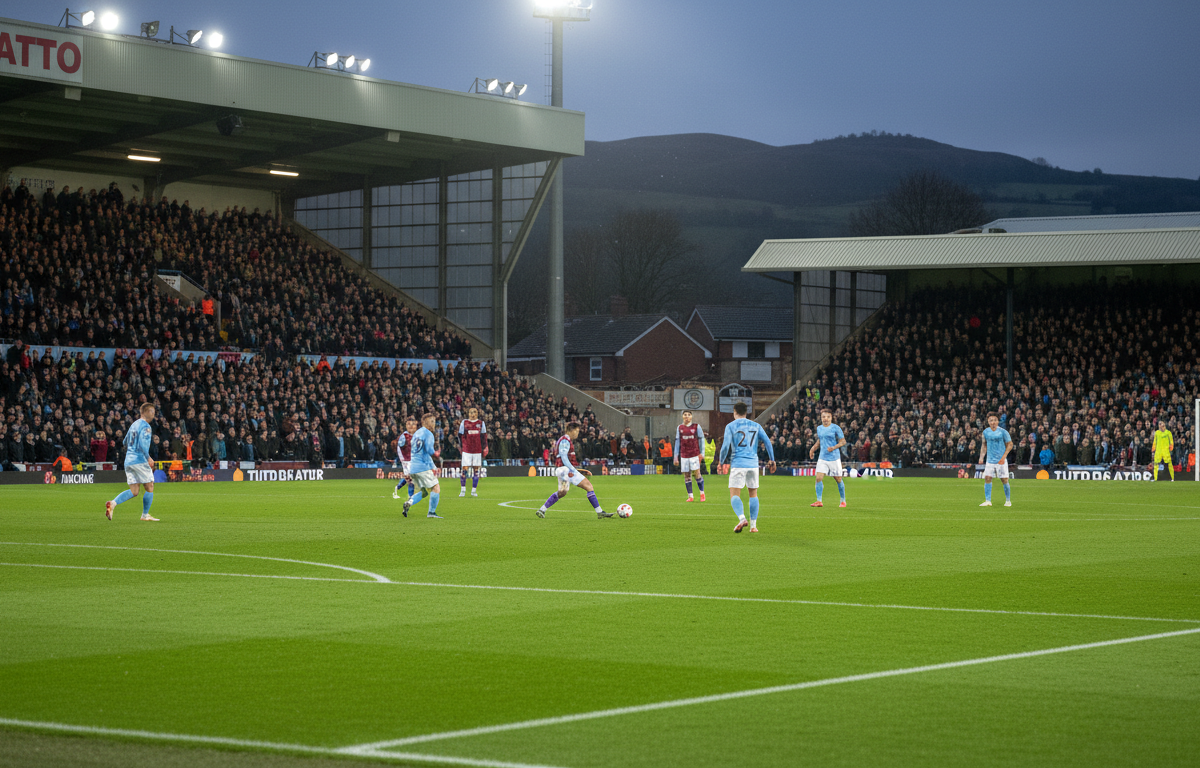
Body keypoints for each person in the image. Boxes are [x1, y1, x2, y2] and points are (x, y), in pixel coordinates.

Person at [719, 402, 775, 533]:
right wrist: (772, 459)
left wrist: (721, 462)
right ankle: (753, 526)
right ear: (746, 412)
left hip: (738, 463)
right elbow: (767, 441)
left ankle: (742, 518)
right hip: (753, 464)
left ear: (734, 412)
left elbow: (725, 446)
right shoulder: (756, 425)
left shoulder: (730, 426)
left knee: (734, 494)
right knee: (753, 494)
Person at [537, 422, 611, 519]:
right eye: (576, 431)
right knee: (589, 486)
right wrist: (573, 469)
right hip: (566, 469)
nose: (577, 434)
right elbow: (563, 457)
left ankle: (542, 509)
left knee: (562, 492)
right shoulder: (565, 440)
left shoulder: (563, 440)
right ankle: (599, 512)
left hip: (562, 469)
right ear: (571, 430)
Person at [105, 402, 159, 522]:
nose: (154, 415)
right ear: (148, 412)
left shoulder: (134, 425)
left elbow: (125, 441)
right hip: (139, 459)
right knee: (149, 486)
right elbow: (142, 444)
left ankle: (113, 503)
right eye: (153, 412)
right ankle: (145, 515)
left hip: (128, 461)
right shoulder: (146, 426)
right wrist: (148, 457)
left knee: (134, 491)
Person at [402, 413, 444, 519]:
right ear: (425, 422)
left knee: (424, 492)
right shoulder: (428, 433)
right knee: (436, 487)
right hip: (422, 467)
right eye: (431, 421)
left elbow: (420, 452)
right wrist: (437, 453)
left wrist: (433, 466)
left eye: (434, 421)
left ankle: (409, 502)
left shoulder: (417, 433)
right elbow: (429, 451)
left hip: (413, 468)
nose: (433, 424)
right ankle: (432, 513)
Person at [808, 408, 847, 508]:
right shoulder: (819, 428)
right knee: (818, 478)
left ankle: (843, 501)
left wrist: (834, 447)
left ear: (831, 418)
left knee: (838, 479)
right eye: (823, 417)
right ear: (821, 418)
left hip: (834, 458)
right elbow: (820, 441)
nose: (826, 419)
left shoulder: (836, 428)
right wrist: (812, 449)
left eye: (828, 417)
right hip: (822, 457)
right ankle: (819, 501)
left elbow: (843, 442)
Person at [978, 412, 1014, 507]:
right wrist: (981, 457)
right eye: (991, 420)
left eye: (994, 420)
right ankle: (988, 501)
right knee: (987, 478)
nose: (993, 422)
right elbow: (984, 445)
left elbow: (1010, 444)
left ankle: (1008, 500)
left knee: (1004, 480)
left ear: (998, 421)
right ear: (988, 422)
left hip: (1001, 460)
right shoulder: (985, 432)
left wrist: (1004, 457)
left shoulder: (1003, 432)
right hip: (990, 460)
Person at [673, 410, 707, 502]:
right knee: (687, 475)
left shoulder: (696, 427)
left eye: (689, 415)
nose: (687, 416)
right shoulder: (680, 427)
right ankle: (690, 496)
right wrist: (675, 456)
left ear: (691, 417)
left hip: (694, 454)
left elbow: (701, 440)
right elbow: (677, 442)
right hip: (684, 455)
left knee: (697, 473)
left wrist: (702, 453)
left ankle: (702, 493)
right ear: (682, 416)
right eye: (685, 415)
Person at [458, 406, 487, 497]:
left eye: (474, 412)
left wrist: (485, 447)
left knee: (476, 471)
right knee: (464, 470)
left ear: (477, 413)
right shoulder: (464, 422)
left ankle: (473, 490)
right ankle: (463, 490)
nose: (472, 414)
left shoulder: (481, 423)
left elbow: (484, 437)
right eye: (471, 412)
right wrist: (462, 446)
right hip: (467, 450)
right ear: (468, 414)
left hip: (477, 451)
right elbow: (460, 435)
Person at [392, 415, 418, 501]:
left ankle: (397, 488)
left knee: (410, 477)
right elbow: (399, 447)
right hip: (406, 460)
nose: (411, 426)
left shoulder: (415, 435)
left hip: (412, 459)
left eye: (413, 424)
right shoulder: (404, 436)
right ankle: (410, 497)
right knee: (411, 479)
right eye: (409, 424)